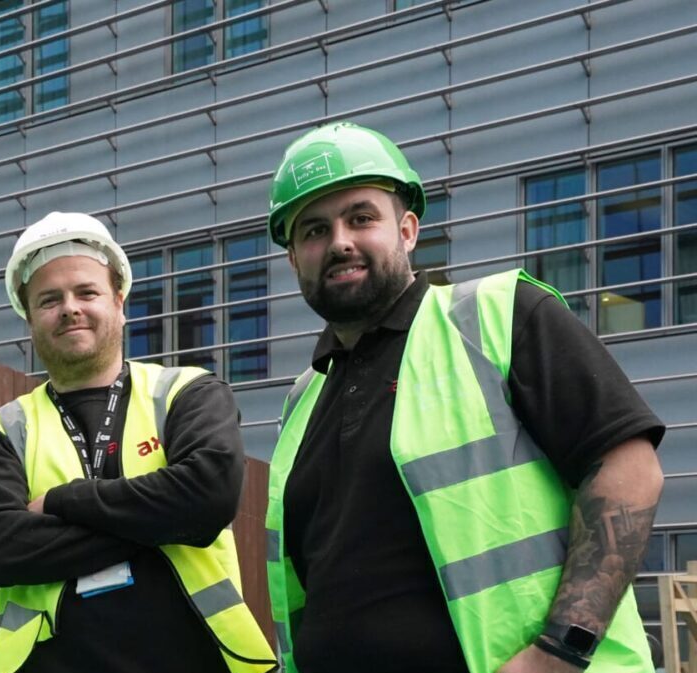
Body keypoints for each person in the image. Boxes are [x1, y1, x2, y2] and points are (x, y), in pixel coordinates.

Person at [262, 122, 665, 673]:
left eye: (361, 217)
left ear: (406, 230)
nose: (339, 242)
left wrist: (561, 652)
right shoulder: (303, 398)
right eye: (312, 230)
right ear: (293, 261)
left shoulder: (498, 317)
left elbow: (629, 468)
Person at [0, 212, 274, 673]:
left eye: (87, 292)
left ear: (120, 303)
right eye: (50, 299)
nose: (70, 308)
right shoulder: (1, 431)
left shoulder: (188, 392)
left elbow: (208, 496)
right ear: (28, 317)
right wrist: (159, 521)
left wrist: (62, 501)